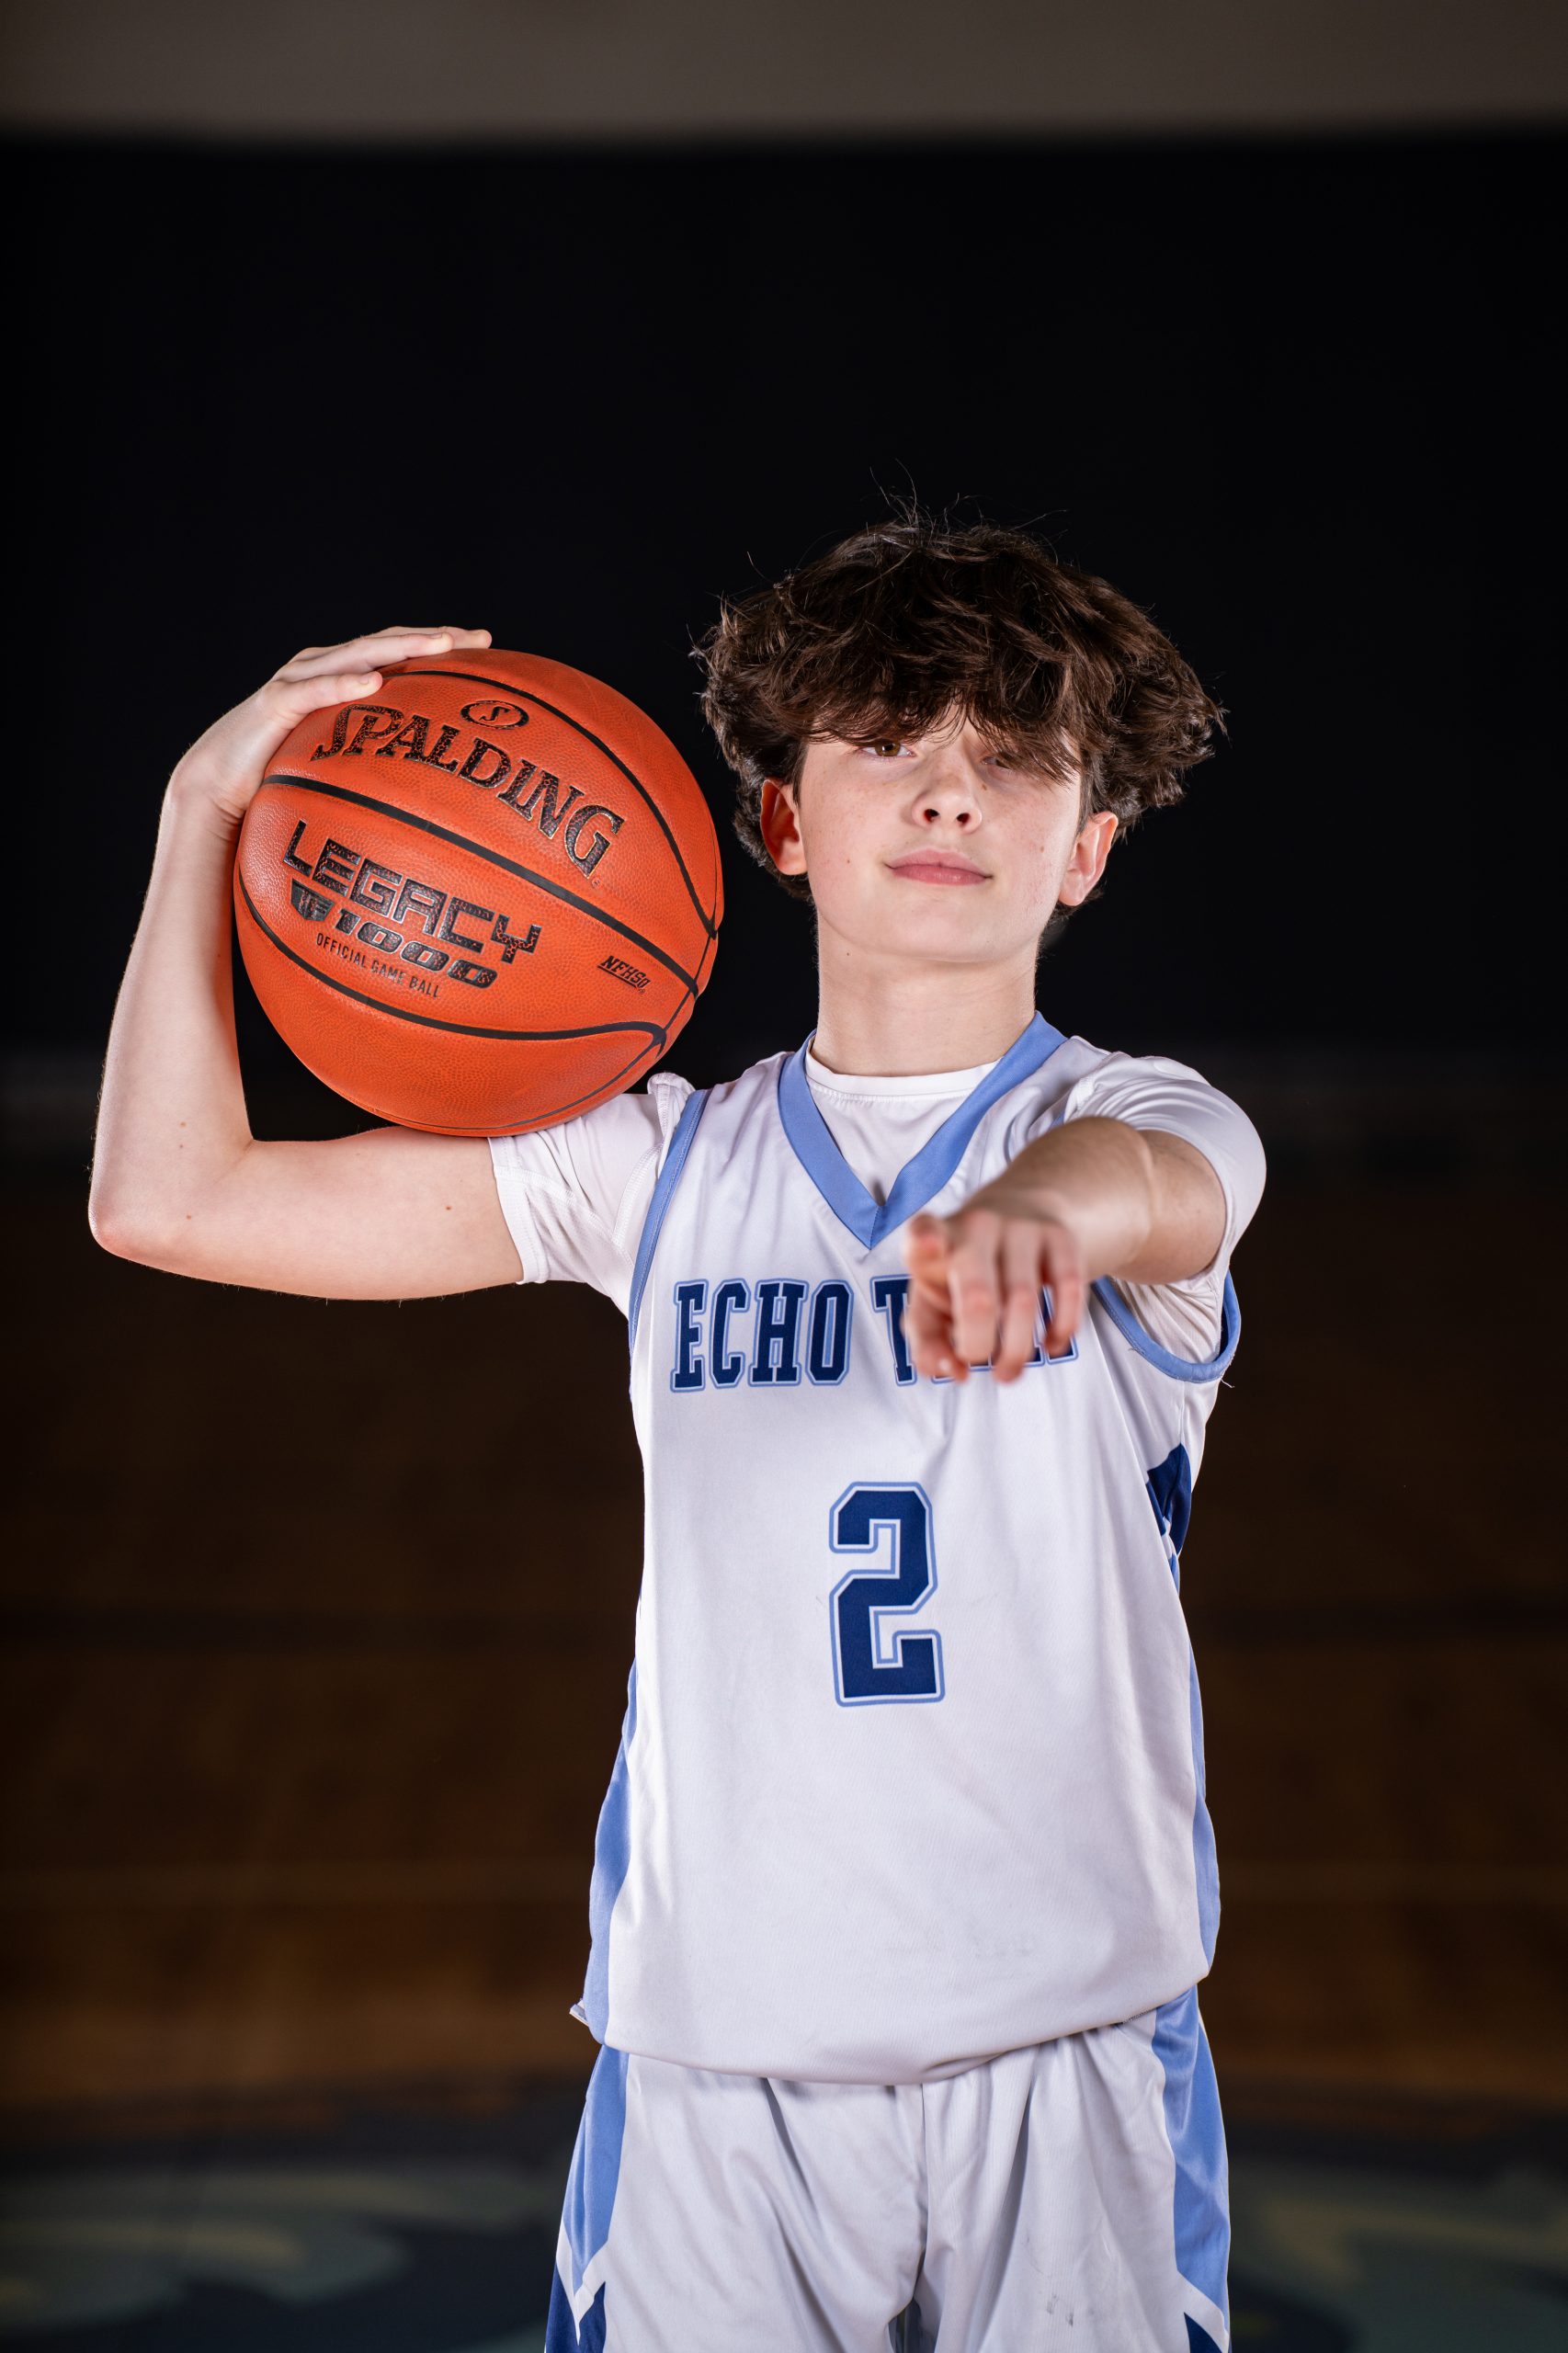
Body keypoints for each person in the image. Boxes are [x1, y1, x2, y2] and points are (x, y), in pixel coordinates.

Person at [91, 511, 1265, 2353]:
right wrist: (198, 819)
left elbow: (1164, 1187)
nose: (948, 794)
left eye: (1014, 759)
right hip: (717, 2048)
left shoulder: (1140, 1119)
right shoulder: (656, 1167)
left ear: (1088, 849)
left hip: (1072, 2042)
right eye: (891, 740)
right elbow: (170, 1199)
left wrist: (1043, 1218)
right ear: (781, 823)